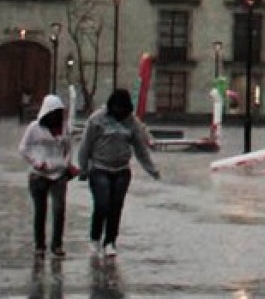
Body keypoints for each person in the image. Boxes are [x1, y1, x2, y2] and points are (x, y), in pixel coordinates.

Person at [77, 88, 160, 257]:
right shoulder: (97, 119)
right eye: (117, 109)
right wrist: (83, 168)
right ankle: (95, 238)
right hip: (99, 169)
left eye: (123, 110)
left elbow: (140, 148)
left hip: (121, 171)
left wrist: (151, 169)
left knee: (116, 206)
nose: (120, 113)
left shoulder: (131, 122)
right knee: (102, 204)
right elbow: (85, 145)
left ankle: (110, 241)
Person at [18, 94, 79, 259]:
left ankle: (57, 244)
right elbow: (23, 148)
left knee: (59, 210)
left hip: (59, 175)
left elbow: (68, 148)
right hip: (39, 175)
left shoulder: (65, 127)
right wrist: (37, 162)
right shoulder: (34, 127)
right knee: (40, 211)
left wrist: (68, 165)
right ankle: (40, 245)